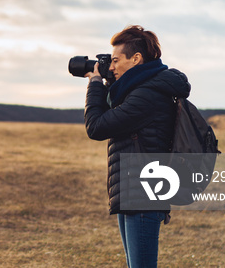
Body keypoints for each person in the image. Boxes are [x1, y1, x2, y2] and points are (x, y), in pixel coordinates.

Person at [82, 25, 191, 267]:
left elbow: (96, 127)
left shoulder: (147, 95)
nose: (111, 67)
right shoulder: (140, 91)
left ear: (136, 59)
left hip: (142, 193)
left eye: (116, 61)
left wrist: (95, 84)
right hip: (134, 191)